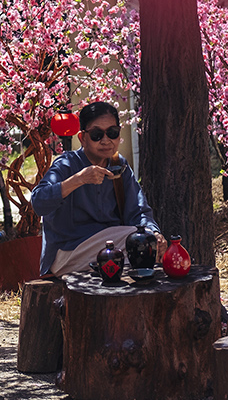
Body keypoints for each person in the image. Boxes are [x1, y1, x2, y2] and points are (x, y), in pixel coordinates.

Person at [31, 101, 167, 276]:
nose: (106, 140)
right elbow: (38, 202)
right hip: (68, 252)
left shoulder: (119, 166)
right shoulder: (67, 164)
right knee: (139, 243)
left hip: (113, 247)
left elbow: (139, 211)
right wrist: (78, 179)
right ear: (82, 138)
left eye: (112, 133)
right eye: (96, 134)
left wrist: (154, 233)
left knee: (149, 244)